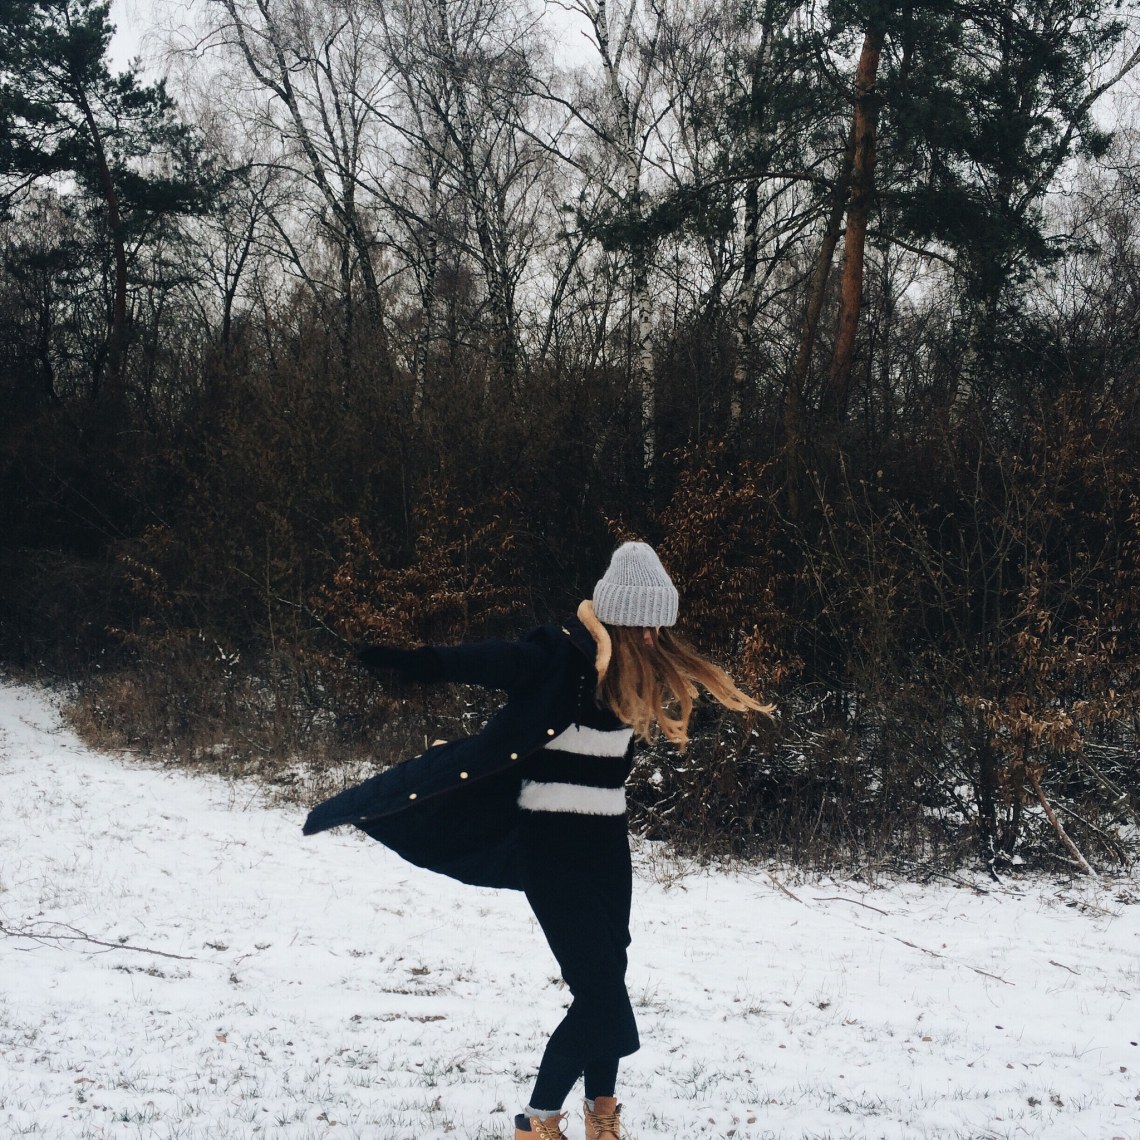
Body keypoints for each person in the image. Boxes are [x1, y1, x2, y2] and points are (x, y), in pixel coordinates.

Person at [304, 542, 772, 1140]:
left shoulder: (637, 672)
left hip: (607, 844)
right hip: (548, 844)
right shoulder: (562, 656)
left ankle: (602, 1114)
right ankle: (538, 1122)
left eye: (661, 623)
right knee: (601, 998)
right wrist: (428, 662)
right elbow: (503, 661)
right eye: (646, 623)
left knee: (610, 980)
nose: (656, 635)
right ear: (620, 618)